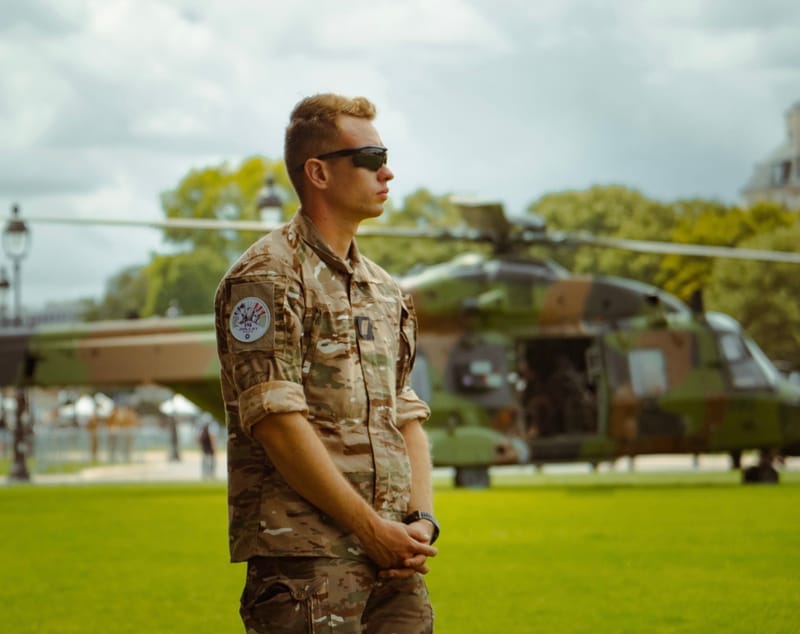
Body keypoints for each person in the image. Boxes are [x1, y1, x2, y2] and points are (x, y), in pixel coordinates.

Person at [214, 93, 439, 633]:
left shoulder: (386, 291)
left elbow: (404, 414)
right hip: (306, 565)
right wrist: (369, 528)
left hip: (395, 563)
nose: (387, 171)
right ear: (317, 172)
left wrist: (421, 522)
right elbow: (276, 423)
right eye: (368, 157)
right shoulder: (267, 278)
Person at [197, 415, 217, 479]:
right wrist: (214, 448)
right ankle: (211, 475)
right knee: (211, 462)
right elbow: (212, 439)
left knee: (205, 462)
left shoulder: (201, 429)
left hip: (205, 449)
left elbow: (198, 439)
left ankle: (205, 475)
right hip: (209, 449)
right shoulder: (211, 428)